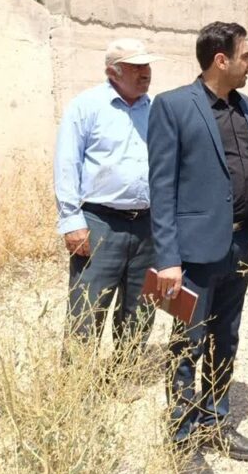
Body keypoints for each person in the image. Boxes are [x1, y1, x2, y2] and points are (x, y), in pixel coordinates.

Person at [147, 22, 248, 474]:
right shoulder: (173, 106)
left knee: (227, 338)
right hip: (193, 255)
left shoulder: (245, 107)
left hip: (238, 245)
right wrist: (168, 258)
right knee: (187, 345)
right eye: (246, 55)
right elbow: (161, 187)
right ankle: (183, 440)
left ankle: (216, 421)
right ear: (221, 60)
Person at [54, 38, 165, 357]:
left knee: (141, 309)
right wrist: (71, 222)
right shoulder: (86, 106)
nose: (145, 73)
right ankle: (76, 381)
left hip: (147, 225)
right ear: (112, 72)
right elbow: (67, 164)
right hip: (99, 223)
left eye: (147, 66)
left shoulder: (156, 110)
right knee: (87, 310)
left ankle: (123, 373)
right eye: (136, 67)